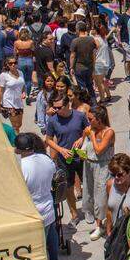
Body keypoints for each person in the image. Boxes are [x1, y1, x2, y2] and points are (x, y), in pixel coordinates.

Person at [16, 133, 61, 260]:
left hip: (33, 212)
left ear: (18, 149)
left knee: (37, 243)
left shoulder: (20, 166)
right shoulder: (45, 158)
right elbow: (54, 173)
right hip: (48, 206)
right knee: (52, 233)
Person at [45, 93, 88, 227]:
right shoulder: (53, 121)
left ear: (67, 104)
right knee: (69, 187)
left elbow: (88, 129)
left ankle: (89, 210)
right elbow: (48, 140)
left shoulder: (79, 116)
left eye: (59, 108)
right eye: (54, 108)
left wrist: (82, 138)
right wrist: (61, 150)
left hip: (80, 156)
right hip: (65, 158)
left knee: (87, 183)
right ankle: (74, 214)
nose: (56, 110)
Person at [80, 104, 115, 234]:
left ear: (99, 119)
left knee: (101, 196)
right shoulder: (90, 129)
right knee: (89, 192)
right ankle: (92, 216)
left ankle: (99, 225)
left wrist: (92, 135)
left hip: (103, 166)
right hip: (89, 164)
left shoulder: (109, 132)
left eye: (91, 119)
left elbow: (99, 150)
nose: (88, 121)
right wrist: (83, 138)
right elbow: (84, 143)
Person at [0, 57, 26, 130]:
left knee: (19, 124)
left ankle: (14, 138)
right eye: (10, 63)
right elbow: (0, 90)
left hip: (18, 102)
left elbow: (23, 85)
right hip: (9, 102)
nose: (13, 65)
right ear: (7, 65)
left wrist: (24, 92)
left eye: (15, 63)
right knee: (15, 126)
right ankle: (16, 141)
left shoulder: (20, 72)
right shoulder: (4, 75)